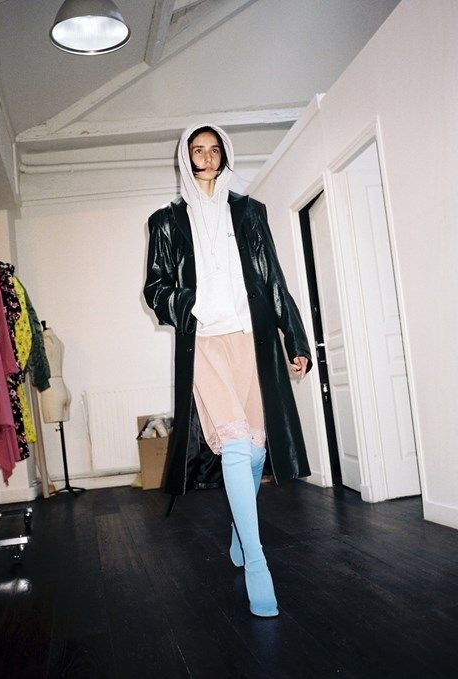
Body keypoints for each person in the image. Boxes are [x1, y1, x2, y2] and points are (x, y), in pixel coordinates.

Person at [144, 123, 312, 617]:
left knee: (256, 448)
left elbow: (273, 277)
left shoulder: (250, 211)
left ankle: (241, 529)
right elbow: (155, 289)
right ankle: (258, 563)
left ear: (224, 155)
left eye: (214, 148)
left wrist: (295, 337)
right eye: (198, 150)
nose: (207, 156)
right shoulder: (165, 222)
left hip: (251, 339)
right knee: (236, 445)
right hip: (204, 344)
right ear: (186, 157)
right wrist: (191, 305)